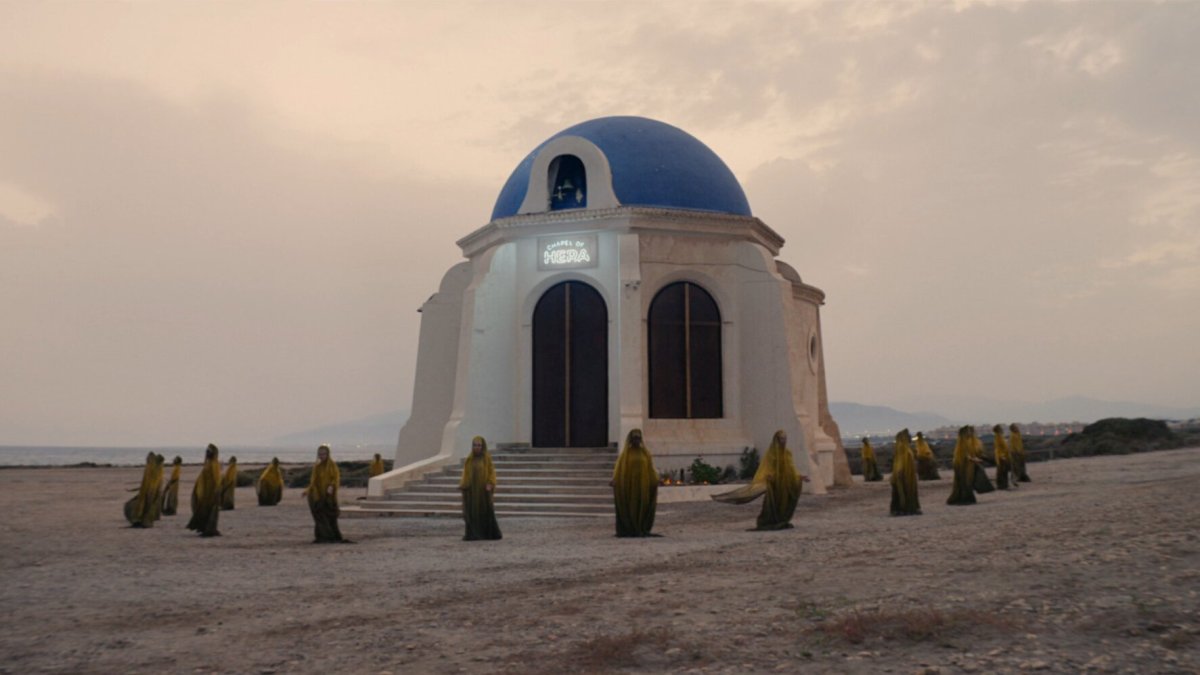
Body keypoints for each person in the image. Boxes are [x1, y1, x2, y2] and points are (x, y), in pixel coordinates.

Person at [712, 429, 807, 530]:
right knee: (771, 503)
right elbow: (766, 466)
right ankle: (768, 521)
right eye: (781, 439)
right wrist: (769, 475)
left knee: (783, 503)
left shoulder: (787, 453)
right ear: (776, 440)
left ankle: (781, 520)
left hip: (784, 482)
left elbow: (791, 467)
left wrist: (798, 476)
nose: (784, 441)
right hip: (774, 482)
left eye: (785, 439)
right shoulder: (771, 453)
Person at [611, 428, 658, 537]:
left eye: (638, 438)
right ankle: (630, 528)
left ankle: (641, 527)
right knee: (631, 506)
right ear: (631, 440)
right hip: (630, 486)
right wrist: (615, 479)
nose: (637, 440)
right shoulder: (625, 455)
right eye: (634, 438)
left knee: (642, 506)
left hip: (642, 485)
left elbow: (650, 468)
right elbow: (619, 469)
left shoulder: (645, 453)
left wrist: (655, 480)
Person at [459, 436, 502, 541]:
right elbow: (465, 474)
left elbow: (491, 472)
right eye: (475, 445)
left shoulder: (486, 459)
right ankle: (474, 533)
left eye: (479, 445)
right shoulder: (469, 459)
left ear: (483, 447)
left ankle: (486, 533)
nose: (477, 447)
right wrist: (464, 485)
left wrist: (490, 483)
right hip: (472, 490)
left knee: (485, 511)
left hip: (483, 490)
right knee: (473, 512)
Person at [306, 444, 347, 543]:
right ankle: (322, 536)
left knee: (330, 516)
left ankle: (331, 535)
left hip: (328, 496)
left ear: (328, 454)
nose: (321, 456)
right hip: (317, 495)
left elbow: (335, 478)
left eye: (323, 454)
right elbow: (314, 481)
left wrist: (331, 486)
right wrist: (309, 491)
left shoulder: (332, 466)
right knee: (319, 516)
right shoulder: (317, 467)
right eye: (320, 454)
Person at [187, 444, 222, 536]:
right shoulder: (210, 464)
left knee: (209, 510)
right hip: (206, 493)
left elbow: (215, 480)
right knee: (205, 510)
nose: (207, 453)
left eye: (209, 451)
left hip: (210, 493)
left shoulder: (213, 464)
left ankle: (209, 529)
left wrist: (215, 491)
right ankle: (204, 528)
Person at [124, 451, 163, 527]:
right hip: (147, 493)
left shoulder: (153, 470)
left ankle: (143, 521)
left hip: (149, 493)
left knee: (144, 507)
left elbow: (150, 484)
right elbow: (145, 483)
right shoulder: (151, 469)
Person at [947, 426, 983, 506]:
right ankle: (964, 498)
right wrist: (974, 459)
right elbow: (964, 454)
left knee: (966, 481)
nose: (970, 433)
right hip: (962, 465)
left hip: (966, 464)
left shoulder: (967, 441)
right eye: (968, 431)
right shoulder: (962, 442)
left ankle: (964, 498)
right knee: (964, 481)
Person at [890, 429, 922, 516]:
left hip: (908, 474)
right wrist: (899, 472)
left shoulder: (905, 448)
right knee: (904, 491)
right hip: (905, 475)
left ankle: (906, 508)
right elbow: (900, 462)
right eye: (908, 436)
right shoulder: (903, 449)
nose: (910, 437)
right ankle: (904, 508)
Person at [968, 426, 995, 494]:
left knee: (979, 472)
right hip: (971, 461)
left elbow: (980, 452)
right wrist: (973, 459)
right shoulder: (967, 442)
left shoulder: (977, 441)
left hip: (976, 460)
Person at [992, 424, 1014, 490]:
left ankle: (1003, 485)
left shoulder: (1000, 436)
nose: (1002, 429)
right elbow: (999, 447)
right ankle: (1002, 485)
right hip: (1001, 456)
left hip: (1003, 456)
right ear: (998, 430)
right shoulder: (998, 437)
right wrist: (1002, 456)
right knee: (1002, 471)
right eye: (1001, 428)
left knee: (1003, 471)